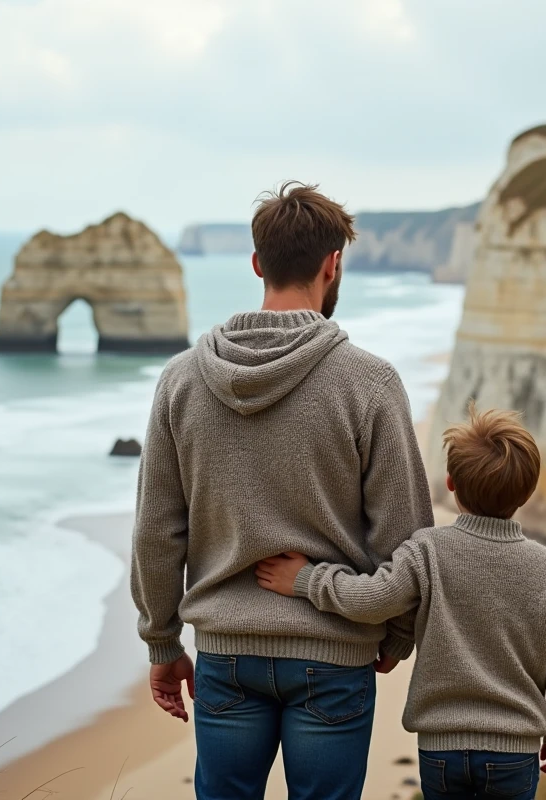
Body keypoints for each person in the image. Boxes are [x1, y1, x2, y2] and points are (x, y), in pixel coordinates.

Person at [130, 181, 434, 800]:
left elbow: (158, 528)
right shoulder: (370, 383)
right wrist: (395, 633)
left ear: (256, 264)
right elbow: (405, 534)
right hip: (335, 651)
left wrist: (163, 642)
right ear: (333, 264)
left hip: (226, 653)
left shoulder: (181, 380)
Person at [256, 404, 546, 800]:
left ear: (450, 483)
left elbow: (375, 598)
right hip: (514, 752)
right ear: (529, 490)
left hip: (440, 749)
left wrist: (307, 579)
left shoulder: (428, 550)